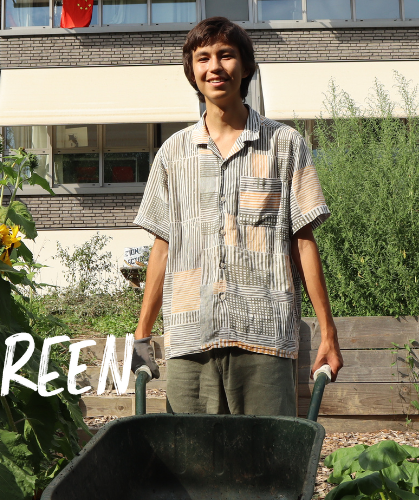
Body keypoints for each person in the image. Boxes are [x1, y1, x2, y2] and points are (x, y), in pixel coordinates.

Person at [130, 17, 343, 416]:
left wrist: (327, 331)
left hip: (264, 335)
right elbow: (162, 247)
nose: (215, 66)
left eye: (226, 55)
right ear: (192, 72)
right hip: (190, 338)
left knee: (266, 466)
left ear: (245, 66)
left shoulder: (285, 144)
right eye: (203, 58)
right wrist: (142, 335)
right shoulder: (172, 155)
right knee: (191, 468)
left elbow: (303, 240)